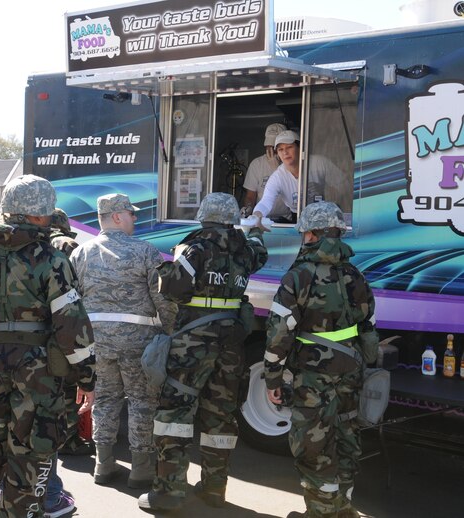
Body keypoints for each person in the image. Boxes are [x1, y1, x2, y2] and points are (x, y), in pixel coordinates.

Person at [0, 174, 96, 518]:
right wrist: (87, 376)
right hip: (38, 373)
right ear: (36, 215)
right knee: (31, 449)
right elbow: (70, 324)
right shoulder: (51, 259)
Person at [138, 192, 268, 512]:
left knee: (175, 413)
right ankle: (214, 488)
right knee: (220, 414)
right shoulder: (245, 251)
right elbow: (260, 253)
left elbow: (172, 289)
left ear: (204, 217)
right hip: (231, 343)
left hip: (193, 342)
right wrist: (256, 232)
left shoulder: (194, 248)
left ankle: (169, 492)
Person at [263, 202, 378, 518]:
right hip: (351, 371)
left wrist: (273, 377)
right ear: (339, 234)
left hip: (313, 377)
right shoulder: (356, 275)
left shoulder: (298, 277)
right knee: (346, 436)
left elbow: (279, 333)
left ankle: (321, 512)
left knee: (312, 445)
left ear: (311, 235)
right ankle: (343, 507)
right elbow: (368, 324)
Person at [69, 194, 176, 490]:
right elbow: (162, 300)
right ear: (117, 216)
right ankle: (141, 469)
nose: (135, 218)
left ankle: (103, 464)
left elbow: (72, 302)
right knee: (141, 401)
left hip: (97, 343)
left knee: (104, 399)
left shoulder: (81, 253)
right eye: (131, 213)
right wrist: (170, 334)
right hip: (137, 343)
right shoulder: (146, 252)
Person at [44, 207, 87, 518]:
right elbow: (73, 297)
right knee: (60, 405)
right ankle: (50, 493)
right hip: (58, 342)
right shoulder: (66, 248)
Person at [253, 130, 348, 229]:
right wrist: (256, 216)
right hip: (298, 217)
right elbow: (265, 202)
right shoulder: (277, 177)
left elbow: (345, 186)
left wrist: (325, 191)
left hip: (328, 218)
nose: (285, 152)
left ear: (300, 148)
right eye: (280, 149)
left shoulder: (319, 163)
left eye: (289, 147)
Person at [241, 123, 292, 220]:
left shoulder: (291, 163)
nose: (270, 150)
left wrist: (277, 167)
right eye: (268, 146)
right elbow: (251, 196)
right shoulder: (257, 164)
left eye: (274, 147)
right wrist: (248, 209)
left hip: (285, 218)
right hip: (262, 218)